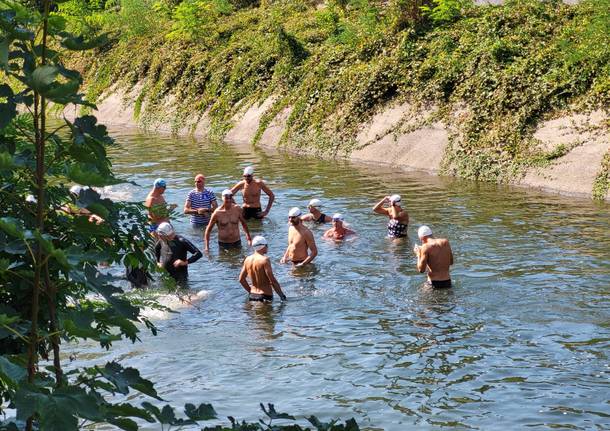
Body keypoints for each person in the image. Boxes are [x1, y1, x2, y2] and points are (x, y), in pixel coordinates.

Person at [239, 236, 287, 302]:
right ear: (263, 246)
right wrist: (282, 296)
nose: (267, 247)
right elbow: (272, 280)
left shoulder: (247, 259)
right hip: (265, 296)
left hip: (252, 296)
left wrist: (250, 291)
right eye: (266, 245)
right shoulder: (264, 260)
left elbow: (241, 279)